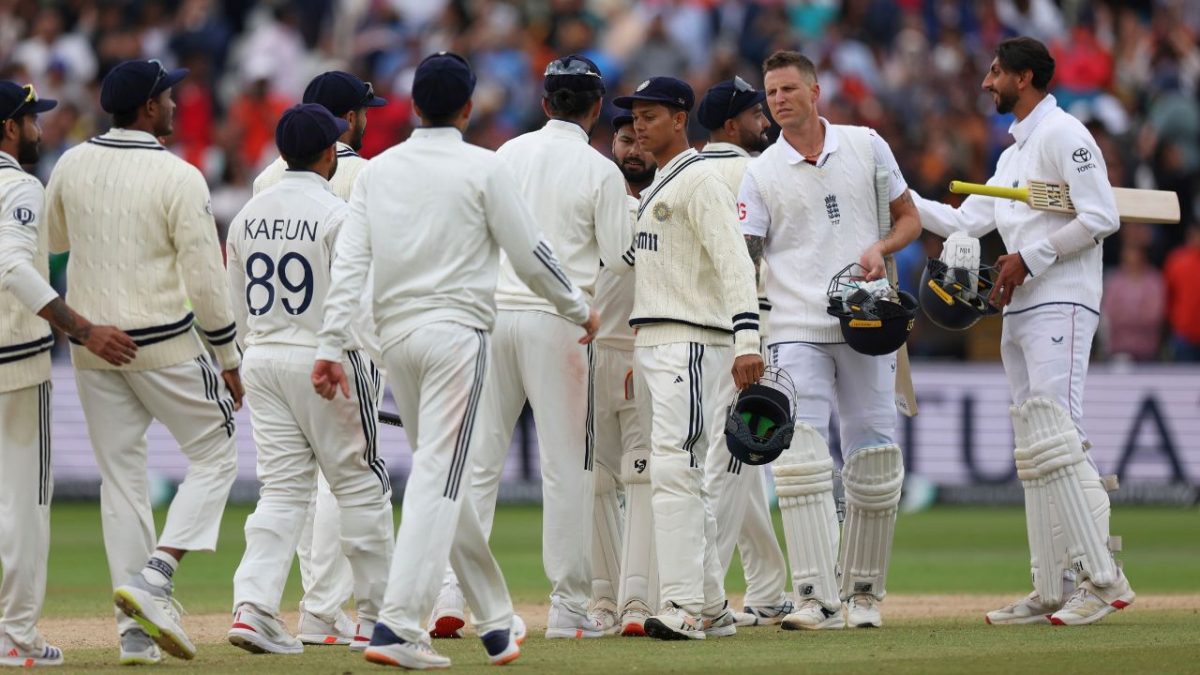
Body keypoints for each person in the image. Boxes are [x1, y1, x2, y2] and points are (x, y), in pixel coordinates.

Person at [312, 52, 595, 669]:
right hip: (455, 337)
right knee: (443, 478)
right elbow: (530, 253)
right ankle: (395, 627)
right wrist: (577, 307)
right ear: (469, 108)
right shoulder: (483, 167)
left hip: (395, 340)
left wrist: (332, 344)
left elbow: (351, 264)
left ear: (413, 106)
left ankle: (495, 621)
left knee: (448, 477)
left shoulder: (380, 171)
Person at [910, 36, 1133, 625]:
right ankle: (1051, 585)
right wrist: (896, 196)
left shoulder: (1065, 135)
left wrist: (1029, 258)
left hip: (1061, 300)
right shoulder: (1012, 154)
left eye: (996, 72)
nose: (987, 82)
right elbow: (963, 220)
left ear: (1025, 77)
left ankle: (1103, 579)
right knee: (1037, 450)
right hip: (1020, 307)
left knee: (1061, 439)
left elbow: (1102, 216)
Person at [44, 59, 245, 663]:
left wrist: (83, 323)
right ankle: (156, 578)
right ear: (150, 109)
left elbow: (51, 245)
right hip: (165, 343)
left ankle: (134, 633)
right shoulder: (179, 175)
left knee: (123, 482)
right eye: (170, 96)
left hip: (93, 347)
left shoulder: (71, 164)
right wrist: (229, 353)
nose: (178, 104)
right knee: (216, 452)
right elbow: (206, 279)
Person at [430, 54, 629, 641]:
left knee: (477, 462)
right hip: (560, 321)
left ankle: (451, 591)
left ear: (545, 103)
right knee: (568, 467)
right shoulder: (600, 171)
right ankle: (568, 607)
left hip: (492, 317)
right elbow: (620, 257)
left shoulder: (506, 154)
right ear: (596, 108)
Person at [739, 50, 920, 630]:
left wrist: (882, 250)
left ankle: (864, 594)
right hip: (793, 327)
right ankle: (816, 597)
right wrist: (747, 333)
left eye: (789, 88)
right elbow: (745, 258)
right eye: (771, 93)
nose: (779, 99)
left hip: (868, 323)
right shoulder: (760, 170)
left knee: (874, 459)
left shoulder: (866, 145)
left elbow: (909, 218)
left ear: (816, 91)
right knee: (800, 460)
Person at [224, 103, 394, 655]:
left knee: (281, 492)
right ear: (330, 153)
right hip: (326, 359)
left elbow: (235, 307)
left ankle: (253, 608)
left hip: (263, 358)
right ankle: (375, 618)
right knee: (361, 485)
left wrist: (246, 355)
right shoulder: (338, 214)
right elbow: (357, 302)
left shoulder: (248, 214)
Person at [615, 76, 762, 641]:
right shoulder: (658, 183)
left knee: (679, 472)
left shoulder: (698, 181)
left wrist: (747, 342)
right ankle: (710, 604)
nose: (638, 126)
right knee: (679, 473)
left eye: (650, 115)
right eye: (634, 117)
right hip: (661, 341)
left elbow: (734, 263)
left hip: (695, 342)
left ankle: (681, 606)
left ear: (681, 118)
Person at [0, 80, 130, 669]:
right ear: (9, 128)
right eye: (31, 120)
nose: (38, 129)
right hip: (15, 367)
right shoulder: (19, 185)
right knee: (24, 506)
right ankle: (16, 636)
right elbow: (11, 265)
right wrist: (82, 328)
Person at [695, 76, 792, 628]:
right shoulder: (755, 170)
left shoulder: (684, 170)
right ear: (732, 125)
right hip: (748, 331)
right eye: (757, 113)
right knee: (733, 457)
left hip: (700, 331)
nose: (766, 121)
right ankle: (707, 595)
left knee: (742, 460)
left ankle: (768, 589)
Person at [587, 113, 658, 636]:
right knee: (594, 482)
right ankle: (601, 599)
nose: (633, 149)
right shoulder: (593, 199)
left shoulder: (665, 204)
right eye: (625, 139)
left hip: (643, 352)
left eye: (641, 140)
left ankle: (637, 600)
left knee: (642, 477)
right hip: (590, 353)